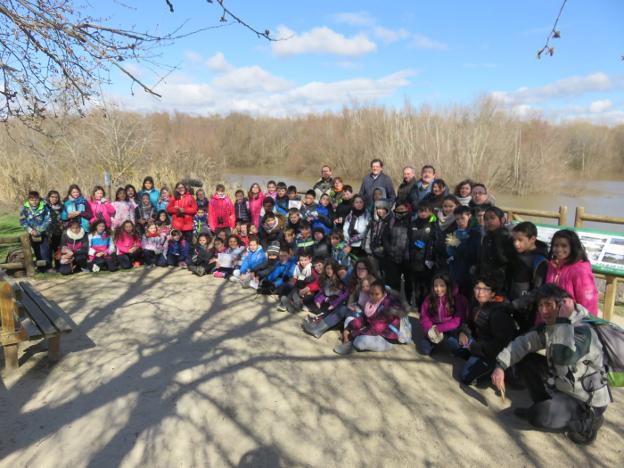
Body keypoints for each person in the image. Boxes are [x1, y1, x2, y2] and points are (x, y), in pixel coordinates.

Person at [492, 284, 610, 445]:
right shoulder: (550, 325)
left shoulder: (583, 329)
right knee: (526, 360)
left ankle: (589, 421)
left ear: (562, 305)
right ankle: (544, 403)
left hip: (585, 399)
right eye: (540, 305)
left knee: (538, 417)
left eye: (548, 305)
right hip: (566, 385)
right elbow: (524, 342)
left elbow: (564, 357)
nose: (543, 311)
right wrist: (500, 365)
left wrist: (563, 319)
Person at [455, 276, 517, 385]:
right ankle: (471, 356)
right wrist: (463, 332)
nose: (480, 292)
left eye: (485, 289)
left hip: (493, 353)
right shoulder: (476, 303)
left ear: (492, 293)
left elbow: (499, 344)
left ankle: (494, 369)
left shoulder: (498, 312)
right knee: (453, 341)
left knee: (465, 377)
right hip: (478, 342)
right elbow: (468, 322)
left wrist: (473, 347)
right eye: (477, 288)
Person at [335, 280, 407, 355]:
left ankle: (351, 343)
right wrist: (349, 328)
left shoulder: (388, 306)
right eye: (371, 294)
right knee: (349, 320)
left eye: (377, 294)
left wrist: (352, 335)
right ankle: (349, 340)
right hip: (375, 331)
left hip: (387, 337)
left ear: (384, 293)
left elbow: (376, 328)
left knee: (359, 342)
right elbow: (363, 318)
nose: (374, 297)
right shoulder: (371, 303)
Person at [545, 229, 598, 316]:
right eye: (556, 245)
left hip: (572, 321)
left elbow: (588, 302)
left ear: (572, 247)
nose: (559, 249)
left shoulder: (580, 271)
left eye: (564, 246)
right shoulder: (552, 266)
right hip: (552, 319)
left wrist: (586, 325)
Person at [508, 222, 549, 331]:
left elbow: (539, 290)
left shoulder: (540, 261)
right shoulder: (519, 254)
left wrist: (518, 304)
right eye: (514, 240)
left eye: (520, 240)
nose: (516, 244)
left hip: (528, 310)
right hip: (513, 304)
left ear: (532, 239)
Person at [418, 273, 469, 355]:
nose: (438, 289)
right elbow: (424, 317)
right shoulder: (429, 299)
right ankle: (435, 342)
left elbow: (457, 320)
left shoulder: (456, 298)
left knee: (456, 346)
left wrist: (439, 329)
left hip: (450, 327)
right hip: (434, 326)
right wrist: (428, 330)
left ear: (448, 286)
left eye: (442, 286)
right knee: (425, 349)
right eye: (436, 286)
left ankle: (446, 340)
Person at [447, 205, 481, 298]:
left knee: (468, 296)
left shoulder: (475, 233)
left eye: (463, 218)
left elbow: (473, 252)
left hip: (469, 269)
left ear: (469, 216)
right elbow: (450, 252)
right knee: (455, 295)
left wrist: (457, 245)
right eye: (457, 219)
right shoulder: (452, 232)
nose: (460, 221)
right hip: (455, 269)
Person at [381, 201, 412, 301]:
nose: (400, 211)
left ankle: (408, 302)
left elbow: (414, 238)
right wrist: (389, 250)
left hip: (407, 257)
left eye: (403, 209)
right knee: (393, 282)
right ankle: (393, 301)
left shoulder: (412, 222)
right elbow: (384, 238)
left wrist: (409, 252)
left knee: (408, 282)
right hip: (392, 256)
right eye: (398, 209)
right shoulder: (391, 221)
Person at [408, 201, 437, 308]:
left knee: (426, 286)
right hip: (415, 259)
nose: (423, 214)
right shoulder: (413, 224)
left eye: (426, 211)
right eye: (421, 211)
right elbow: (409, 240)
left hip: (428, 261)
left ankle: (425, 307)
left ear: (430, 212)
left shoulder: (434, 224)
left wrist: (430, 258)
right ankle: (417, 306)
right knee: (416, 285)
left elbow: (433, 241)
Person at [476, 206, 514, 287]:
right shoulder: (486, 237)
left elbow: (508, 261)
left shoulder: (507, 237)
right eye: (486, 219)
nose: (489, 221)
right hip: (485, 279)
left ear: (502, 219)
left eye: (492, 218)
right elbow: (482, 258)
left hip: (502, 281)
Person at [19, 190, 52, 271]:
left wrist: (40, 230)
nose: (34, 202)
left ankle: (48, 267)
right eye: (32, 200)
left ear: (39, 199)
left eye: (36, 199)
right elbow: (23, 221)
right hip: (32, 233)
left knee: (45, 250)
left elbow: (48, 219)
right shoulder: (24, 208)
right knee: (37, 250)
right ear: (28, 200)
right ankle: (40, 268)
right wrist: (31, 230)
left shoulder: (44, 206)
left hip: (43, 232)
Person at [432, 195, 460, 269]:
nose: (447, 209)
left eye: (451, 206)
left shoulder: (458, 220)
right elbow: (432, 236)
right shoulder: (436, 217)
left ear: (457, 206)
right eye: (445, 206)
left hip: (452, 259)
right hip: (437, 257)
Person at [166, 181, 198, 247]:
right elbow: (168, 209)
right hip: (177, 226)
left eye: (182, 187)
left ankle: (187, 256)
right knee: (177, 245)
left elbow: (194, 210)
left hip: (188, 226)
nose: (181, 189)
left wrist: (184, 210)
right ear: (176, 189)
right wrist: (176, 209)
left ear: (185, 188)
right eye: (179, 188)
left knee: (187, 245)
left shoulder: (190, 197)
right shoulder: (174, 198)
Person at [342, 195, 370, 259]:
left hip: (362, 246)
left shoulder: (367, 216)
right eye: (356, 202)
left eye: (361, 202)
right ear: (353, 204)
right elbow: (345, 230)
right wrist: (347, 243)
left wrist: (352, 241)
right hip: (349, 245)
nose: (359, 204)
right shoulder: (349, 216)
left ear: (363, 203)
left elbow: (365, 232)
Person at [46, 190, 64, 270]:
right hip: (48, 232)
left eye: (56, 197)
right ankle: (48, 267)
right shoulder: (45, 207)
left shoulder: (61, 207)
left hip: (58, 231)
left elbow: (64, 217)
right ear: (49, 197)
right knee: (48, 250)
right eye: (52, 197)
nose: (54, 199)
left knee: (58, 249)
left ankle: (58, 266)